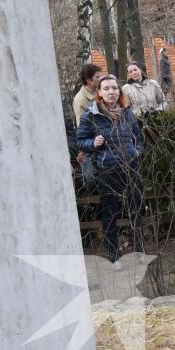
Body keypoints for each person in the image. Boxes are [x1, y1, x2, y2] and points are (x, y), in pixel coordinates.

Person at [73, 73, 145, 262]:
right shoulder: (91, 115)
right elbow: (79, 141)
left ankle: (140, 252)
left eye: (114, 88)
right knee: (110, 214)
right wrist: (92, 144)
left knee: (137, 210)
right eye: (106, 88)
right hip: (108, 170)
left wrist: (137, 151)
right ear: (99, 92)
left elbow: (138, 137)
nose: (111, 91)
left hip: (131, 167)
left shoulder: (126, 112)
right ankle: (113, 255)